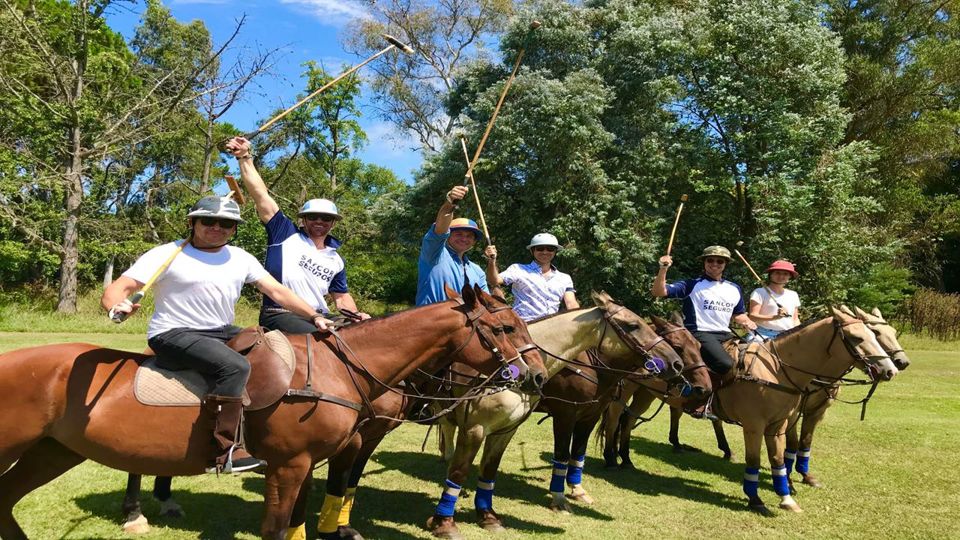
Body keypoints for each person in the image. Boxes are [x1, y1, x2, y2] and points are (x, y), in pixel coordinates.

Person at [101, 195, 333, 473]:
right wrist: (116, 305)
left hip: (220, 331)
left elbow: (277, 291)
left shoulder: (240, 258)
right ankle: (224, 450)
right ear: (192, 222)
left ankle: (268, 432)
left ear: (234, 229)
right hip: (173, 332)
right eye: (209, 221)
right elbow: (121, 286)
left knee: (270, 348)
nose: (218, 227)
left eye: (226, 223)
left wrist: (315, 315)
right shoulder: (167, 254)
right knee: (234, 367)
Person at [223, 136, 370, 333]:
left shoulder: (336, 259)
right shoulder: (284, 233)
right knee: (325, 341)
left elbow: (341, 297)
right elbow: (260, 195)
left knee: (369, 334)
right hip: (280, 313)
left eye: (325, 218)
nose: (319, 221)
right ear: (304, 219)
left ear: (333, 223)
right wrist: (245, 157)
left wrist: (356, 315)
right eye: (313, 217)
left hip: (322, 315)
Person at [652, 245, 758, 378]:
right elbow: (658, 292)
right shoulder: (691, 284)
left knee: (748, 361)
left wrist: (747, 321)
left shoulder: (734, 288)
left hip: (726, 334)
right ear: (704, 262)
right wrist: (663, 269)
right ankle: (701, 391)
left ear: (725, 264)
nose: (715, 264)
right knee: (725, 364)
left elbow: (739, 314)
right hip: (699, 333)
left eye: (720, 261)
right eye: (710, 260)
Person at [415, 185, 488, 305]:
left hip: (464, 324)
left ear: (474, 242)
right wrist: (450, 203)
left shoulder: (478, 271)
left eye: (469, 236)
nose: (464, 238)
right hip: (431, 322)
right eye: (458, 234)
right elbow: (440, 230)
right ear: (448, 235)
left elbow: (485, 302)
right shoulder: (434, 254)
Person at [483, 233, 579, 321]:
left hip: (552, 328)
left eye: (550, 249)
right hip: (525, 328)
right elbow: (493, 281)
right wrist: (492, 261)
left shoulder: (565, 278)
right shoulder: (518, 269)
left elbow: (571, 304)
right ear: (532, 251)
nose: (545, 252)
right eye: (540, 248)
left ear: (555, 251)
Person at [748, 260, 801, 339]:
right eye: (777, 273)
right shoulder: (759, 292)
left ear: (790, 276)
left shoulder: (793, 294)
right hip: (764, 334)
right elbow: (752, 316)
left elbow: (795, 319)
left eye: (785, 274)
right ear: (771, 274)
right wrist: (775, 317)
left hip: (788, 335)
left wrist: (800, 332)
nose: (781, 276)